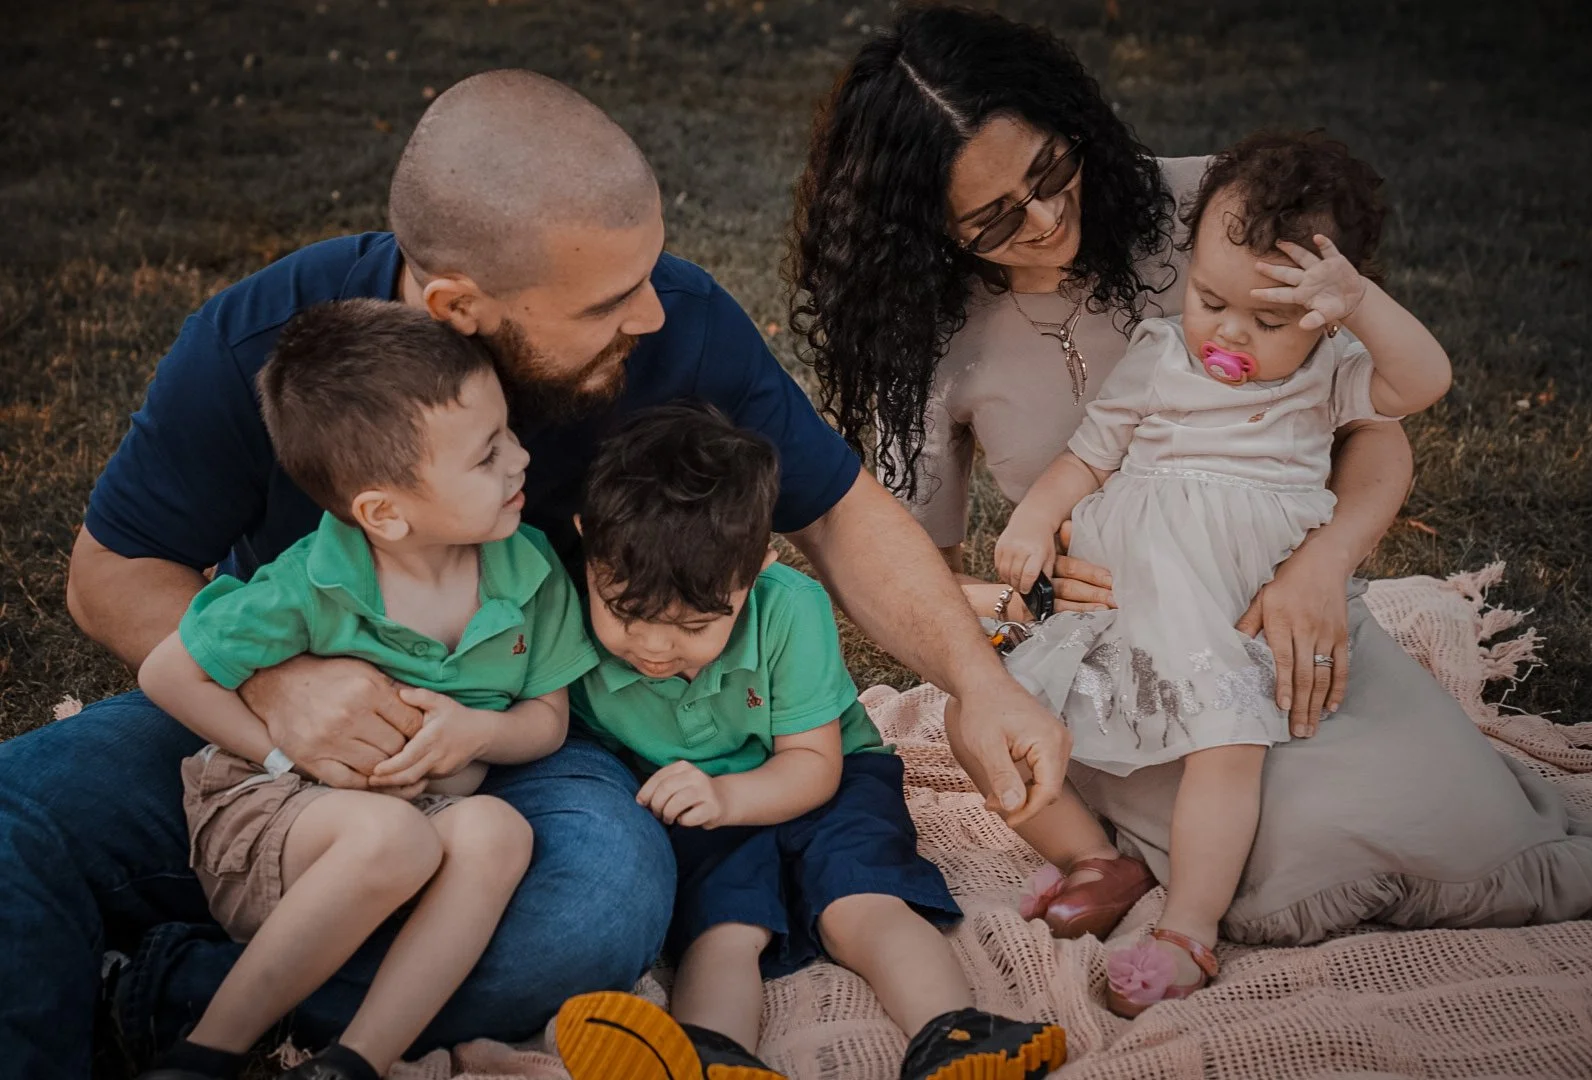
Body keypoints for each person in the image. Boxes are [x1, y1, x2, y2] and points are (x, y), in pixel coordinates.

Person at [0, 68, 1069, 1076]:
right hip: (265, 725)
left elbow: (836, 514)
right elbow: (111, 574)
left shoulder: (679, 322)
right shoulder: (271, 347)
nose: (648, 314)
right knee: (19, 814)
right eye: (607, 302)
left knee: (593, 920)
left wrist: (977, 684)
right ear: (456, 308)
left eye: (648, 274)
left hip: (530, 735)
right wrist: (277, 690)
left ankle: (162, 992)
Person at [790, 4, 1592, 953]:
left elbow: (1376, 432)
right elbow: (905, 568)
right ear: (926, 228)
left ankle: (1178, 847)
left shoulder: (1216, 210)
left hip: (1275, 611)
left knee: (1457, 829)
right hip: (1118, 644)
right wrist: (1027, 602)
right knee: (1285, 848)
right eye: (995, 218)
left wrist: (1323, 565)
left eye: (1052, 173)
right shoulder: (928, 334)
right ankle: (1130, 859)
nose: (1050, 217)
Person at [988, 132, 1452, 1015]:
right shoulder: (1162, 352)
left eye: (1267, 320)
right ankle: (1096, 857)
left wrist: (1358, 306)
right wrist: (1036, 515)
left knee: (1225, 750)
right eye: (1210, 298)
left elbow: (1426, 379)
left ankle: (1188, 933)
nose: (1228, 333)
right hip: (1124, 601)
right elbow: (1088, 458)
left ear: (1324, 316)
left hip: (1220, 617)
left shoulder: (1327, 375)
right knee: (1001, 717)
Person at [136, 300, 598, 1080]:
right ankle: (203, 1053)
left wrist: (480, 734)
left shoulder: (528, 572)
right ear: (383, 513)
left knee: (499, 834)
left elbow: (547, 719)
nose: (520, 461)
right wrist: (284, 755)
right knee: (394, 838)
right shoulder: (314, 584)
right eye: (486, 456)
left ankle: (353, 1062)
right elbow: (166, 672)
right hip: (270, 815)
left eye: (508, 433)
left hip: (417, 815)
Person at [548, 404, 1066, 1080]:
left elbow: (813, 766)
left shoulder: (789, 608)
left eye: (693, 625)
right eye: (624, 612)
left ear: (757, 565)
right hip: (700, 798)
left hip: (827, 775)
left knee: (860, 900)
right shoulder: (559, 608)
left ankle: (953, 1036)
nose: (650, 646)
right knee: (724, 924)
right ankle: (710, 1056)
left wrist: (725, 795)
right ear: (587, 542)